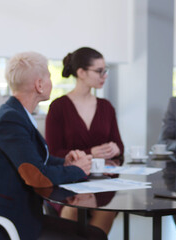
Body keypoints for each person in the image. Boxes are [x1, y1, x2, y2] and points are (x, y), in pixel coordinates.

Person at [0, 52, 107, 240]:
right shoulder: (10, 119)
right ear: (39, 85)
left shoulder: (18, 115)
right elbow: (36, 176)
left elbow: (34, 159)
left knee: (95, 234)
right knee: (92, 237)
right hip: (3, 223)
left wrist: (64, 162)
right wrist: (76, 170)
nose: (50, 81)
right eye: (48, 75)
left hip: (21, 215)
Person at [45, 47, 124, 234]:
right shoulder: (58, 107)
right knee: (71, 213)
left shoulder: (106, 107)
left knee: (106, 213)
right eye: (99, 71)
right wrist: (91, 153)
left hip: (102, 182)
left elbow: (120, 145)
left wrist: (115, 149)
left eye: (105, 70)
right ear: (81, 72)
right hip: (68, 184)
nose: (104, 75)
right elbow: (53, 153)